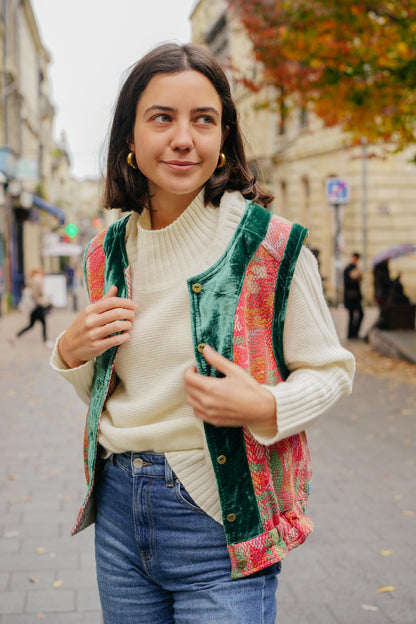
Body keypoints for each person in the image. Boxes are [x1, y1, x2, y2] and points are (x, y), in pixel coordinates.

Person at [50, 43, 355, 624]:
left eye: (204, 120)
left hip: (220, 516)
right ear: (130, 142)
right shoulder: (105, 254)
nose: (183, 138)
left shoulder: (270, 245)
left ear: (224, 140)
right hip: (117, 508)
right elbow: (107, 390)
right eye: (162, 117)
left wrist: (265, 403)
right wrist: (70, 352)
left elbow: (333, 371)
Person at [12, 268, 52, 347]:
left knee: (31, 325)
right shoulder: (35, 282)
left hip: (34, 307)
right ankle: (45, 342)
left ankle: (15, 337)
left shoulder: (32, 282)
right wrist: (40, 301)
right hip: (37, 306)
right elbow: (35, 295)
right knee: (43, 323)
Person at [343, 252, 364, 339]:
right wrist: (353, 277)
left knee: (360, 314)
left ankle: (354, 332)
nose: (356, 260)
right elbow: (347, 283)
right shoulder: (348, 269)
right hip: (350, 296)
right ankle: (351, 334)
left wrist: (359, 278)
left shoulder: (356, 268)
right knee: (352, 315)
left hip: (356, 296)